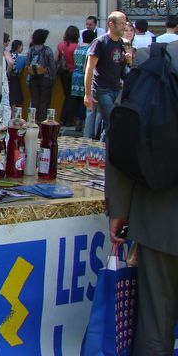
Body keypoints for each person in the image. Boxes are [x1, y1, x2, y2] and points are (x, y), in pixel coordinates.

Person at [106, 42, 178, 355]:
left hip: (159, 218)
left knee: (154, 328)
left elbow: (124, 135)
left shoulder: (157, 60)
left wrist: (119, 208)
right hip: (158, 217)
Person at [83, 11, 131, 142]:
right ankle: (106, 154)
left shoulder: (121, 43)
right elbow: (89, 68)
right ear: (111, 24)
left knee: (108, 125)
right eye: (121, 24)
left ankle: (103, 153)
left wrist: (128, 61)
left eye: (125, 24)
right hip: (101, 89)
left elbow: (122, 69)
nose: (124, 27)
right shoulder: (100, 42)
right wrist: (87, 94)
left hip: (116, 88)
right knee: (111, 122)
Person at [25, 29, 56, 123]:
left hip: (33, 79)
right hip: (45, 79)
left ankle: (33, 122)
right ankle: (42, 123)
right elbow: (52, 66)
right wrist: (52, 79)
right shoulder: (48, 50)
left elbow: (27, 64)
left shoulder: (31, 50)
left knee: (34, 101)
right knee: (44, 102)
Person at [70, 30, 94, 134]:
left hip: (75, 75)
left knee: (77, 100)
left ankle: (76, 120)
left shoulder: (77, 49)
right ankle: (82, 121)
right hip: (84, 76)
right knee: (84, 100)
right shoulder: (90, 50)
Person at [56, 25, 80, 126]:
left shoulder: (60, 45)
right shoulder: (76, 47)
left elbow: (56, 58)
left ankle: (62, 118)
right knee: (72, 97)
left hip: (63, 73)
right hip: (73, 73)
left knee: (67, 96)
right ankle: (69, 119)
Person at [8, 39, 24, 109]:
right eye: (21, 46)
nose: (22, 48)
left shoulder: (8, 53)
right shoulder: (19, 56)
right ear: (18, 46)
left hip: (8, 77)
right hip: (15, 77)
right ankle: (13, 116)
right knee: (14, 98)